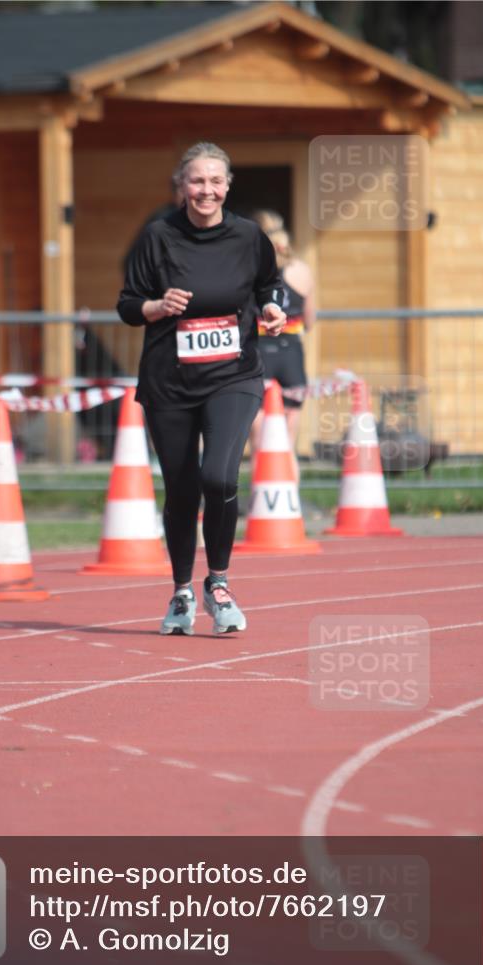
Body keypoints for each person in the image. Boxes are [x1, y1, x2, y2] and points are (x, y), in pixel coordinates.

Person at [117, 142, 287, 636]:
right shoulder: (158, 236)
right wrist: (157, 306)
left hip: (232, 375)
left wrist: (274, 310)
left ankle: (218, 583)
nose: (206, 190)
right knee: (182, 489)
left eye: (215, 181)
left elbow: (269, 286)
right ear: (182, 186)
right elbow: (128, 304)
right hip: (169, 380)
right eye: (197, 181)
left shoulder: (249, 237)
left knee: (218, 477)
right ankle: (181, 591)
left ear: (228, 185)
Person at [249, 211, 315, 482]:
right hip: (292, 354)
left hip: (260, 352)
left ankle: (259, 504)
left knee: (259, 442)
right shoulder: (302, 271)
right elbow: (309, 321)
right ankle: (291, 506)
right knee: (288, 443)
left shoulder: (252, 270)